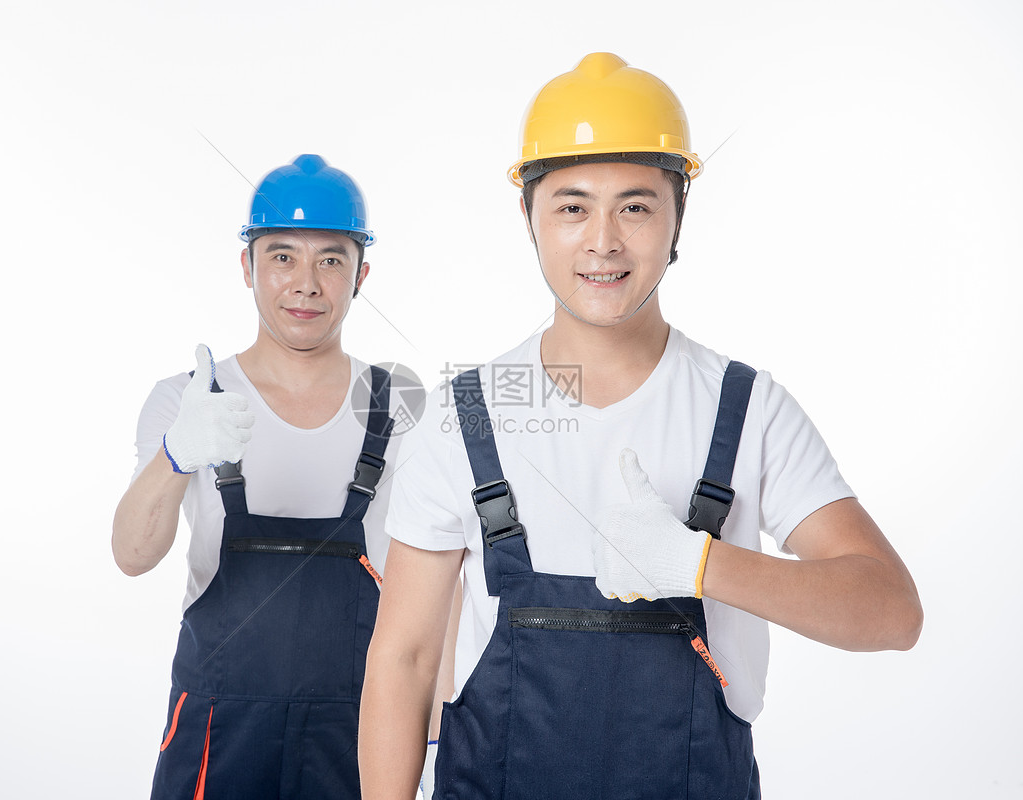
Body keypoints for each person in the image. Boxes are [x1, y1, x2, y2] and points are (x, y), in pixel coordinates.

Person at [359, 53, 923, 799]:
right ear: (527, 216)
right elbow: (402, 659)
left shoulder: (747, 410)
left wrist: (699, 567)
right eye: (571, 206)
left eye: (635, 205)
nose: (603, 241)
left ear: (676, 216)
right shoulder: (467, 418)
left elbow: (891, 611)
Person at [113, 153, 399, 799]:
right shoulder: (186, 399)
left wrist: (432, 725)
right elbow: (131, 556)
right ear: (247, 267)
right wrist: (175, 455)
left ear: (362, 275)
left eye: (331, 259)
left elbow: (434, 586)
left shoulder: (400, 409)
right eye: (282, 257)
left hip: (356, 730)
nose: (306, 284)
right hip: (217, 728)